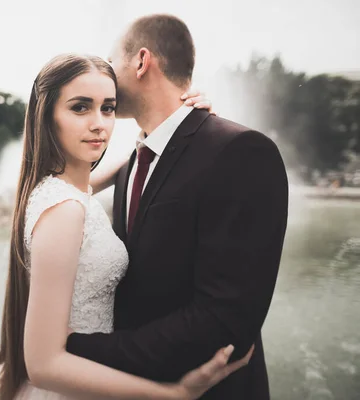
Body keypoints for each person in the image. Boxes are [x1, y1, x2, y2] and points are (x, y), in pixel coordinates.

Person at [0, 53, 253, 400]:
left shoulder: (63, 188)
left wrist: (180, 122)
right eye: (80, 108)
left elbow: (137, 158)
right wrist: (173, 394)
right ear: (46, 116)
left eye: (107, 108)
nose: (99, 124)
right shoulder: (65, 210)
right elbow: (43, 365)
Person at [67, 14, 289, 400]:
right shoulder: (136, 159)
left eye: (110, 62)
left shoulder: (241, 152)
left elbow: (222, 319)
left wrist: (73, 349)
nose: (104, 76)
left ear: (140, 61)